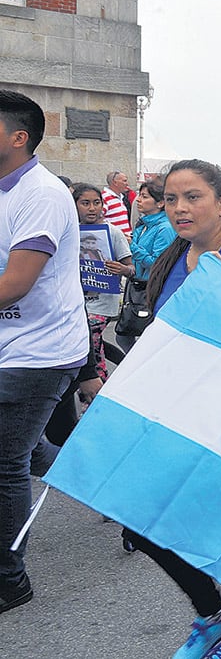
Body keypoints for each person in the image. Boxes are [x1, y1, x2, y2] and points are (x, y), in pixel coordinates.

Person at [126, 159, 221, 659]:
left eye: (192, 197)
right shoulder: (174, 256)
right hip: (174, 412)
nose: (179, 208)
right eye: (171, 199)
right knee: (137, 517)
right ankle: (210, 612)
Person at [0, 90, 90, 615]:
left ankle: (10, 579)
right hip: (11, 346)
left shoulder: (43, 193)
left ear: (18, 138)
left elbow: (16, 283)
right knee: (31, 452)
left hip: (39, 352)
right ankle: (103, 474)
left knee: (5, 462)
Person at [72, 183, 133, 379]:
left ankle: (94, 395)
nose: (92, 208)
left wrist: (122, 269)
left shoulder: (113, 232)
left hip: (102, 303)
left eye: (96, 203)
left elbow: (131, 268)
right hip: (78, 302)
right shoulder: (70, 230)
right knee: (93, 344)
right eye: (85, 203)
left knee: (92, 347)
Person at [116, 177, 175, 352]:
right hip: (136, 286)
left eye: (145, 197)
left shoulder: (165, 228)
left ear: (160, 203)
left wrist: (131, 245)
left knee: (143, 336)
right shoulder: (144, 225)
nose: (139, 200)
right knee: (124, 334)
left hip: (152, 289)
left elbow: (157, 263)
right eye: (139, 196)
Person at [101, 170, 134, 236]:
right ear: (115, 182)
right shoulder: (104, 198)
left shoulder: (120, 198)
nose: (127, 184)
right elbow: (98, 220)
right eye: (124, 181)